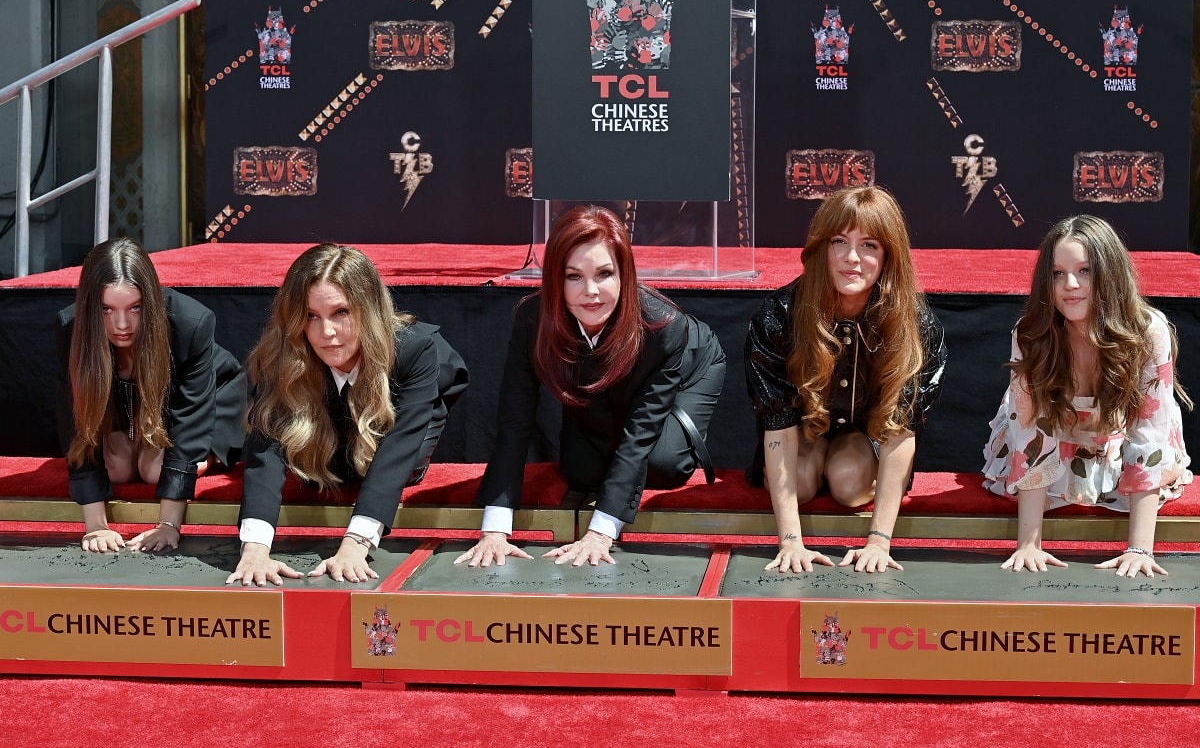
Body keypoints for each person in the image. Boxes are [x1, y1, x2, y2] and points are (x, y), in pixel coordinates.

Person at [455, 205, 726, 568]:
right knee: (580, 474)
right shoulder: (532, 319)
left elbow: (640, 431)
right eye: (573, 276)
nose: (591, 291)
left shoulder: (666, 328)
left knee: (662, 463)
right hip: (606, 376)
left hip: (690, 368)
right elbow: (514, 423)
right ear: (555, 278)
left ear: (623, 275)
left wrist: (600, 534)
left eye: (604, 274)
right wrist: (494, 530)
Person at [227, 244, 468, 587]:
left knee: (398, 466)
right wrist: (254, 550)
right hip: (328, 424)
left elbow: (399, 448)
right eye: (311, 316)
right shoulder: (284, 353)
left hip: (399, 418)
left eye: (341, 312)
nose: (326, 333)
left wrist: (355, 545)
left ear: (367, 310)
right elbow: (265, 451)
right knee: (315, 475)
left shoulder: (414, 350)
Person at [745, 185, 946, 574]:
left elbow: (901, 429)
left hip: (866, 438)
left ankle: (840, 465)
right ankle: (816, 463)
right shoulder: (777, 315)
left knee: (849, 482)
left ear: (889, 255)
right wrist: (790, 543)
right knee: (801, 482)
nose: (852, 258)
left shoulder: (917, 326)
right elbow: (778, 427)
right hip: (799, 429)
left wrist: (878, 541)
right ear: (822, 247)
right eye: (839, 241)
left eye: (869, 245)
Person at [982, 215, 1191, 577]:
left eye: (1086, 271)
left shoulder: (1148, 331)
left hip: (1121, 439)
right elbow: (1032, 432)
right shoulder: (1031, 333)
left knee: (1156, 453)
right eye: (1058, 273)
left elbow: (1149, 435)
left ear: (1110, 273)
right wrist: (1029, 544)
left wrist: (1139, 549)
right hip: (1050, 441)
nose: (1070, 285)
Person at [55, 237, 245, 553]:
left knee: (155, 470)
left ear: (151, 302)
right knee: (117, 468)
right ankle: (141, 443)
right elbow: (74, 421)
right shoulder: (71, 327)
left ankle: (183, 454)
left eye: (135, 308)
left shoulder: (191, 323)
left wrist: (169, 524)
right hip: (130, 409)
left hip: (208, 398)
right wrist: (95, 526)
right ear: (91, 306)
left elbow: (190, 422)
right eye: (106, 309)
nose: (121, 325)